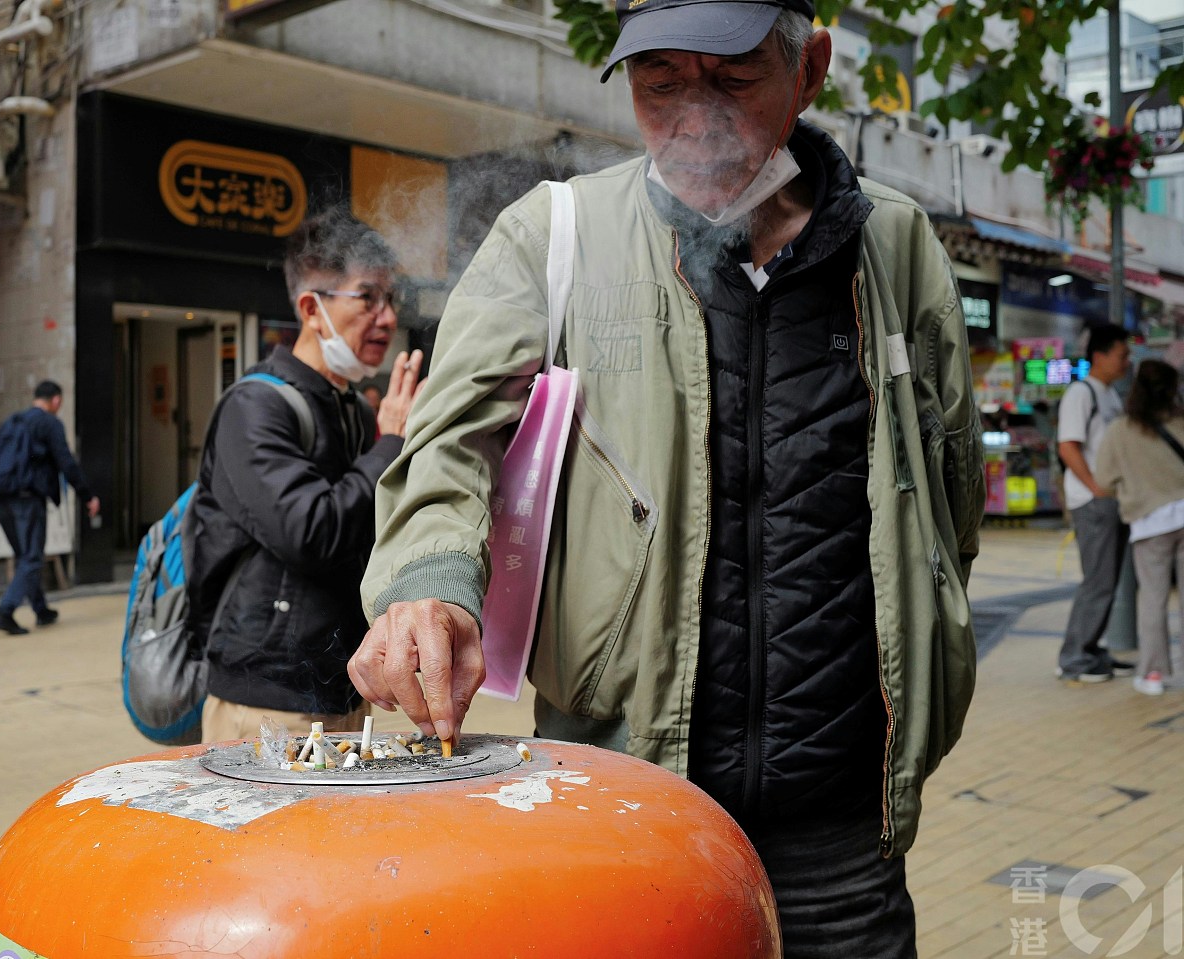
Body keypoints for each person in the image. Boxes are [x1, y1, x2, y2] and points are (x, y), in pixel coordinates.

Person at [349, 1, 984, 954]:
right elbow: (447, 441)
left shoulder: (894, 246)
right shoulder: (553, 235)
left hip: (844, 824)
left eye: (731, 78)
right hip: (626, 796)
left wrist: (927, 635)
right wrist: (429, 587)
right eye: (659, 83)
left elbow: (951, 487)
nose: (694, 114)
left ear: (808, 69)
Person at [185, 209, 424, 744]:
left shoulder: (353, 409)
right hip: (266, 696)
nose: (386, 318)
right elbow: (311, 532)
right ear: (313, 308)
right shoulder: (254, 406)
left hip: (340, 687)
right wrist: (390, 443)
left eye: (392, 300)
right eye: (368, 297)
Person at [1094, 359, 1184, 696]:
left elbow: (1103, 480)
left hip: (1151, 523)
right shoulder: (1181, 422)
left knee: (1153, 599)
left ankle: (1153, 675)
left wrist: (1133, 486)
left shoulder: (1121, 430)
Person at [0, 381, 100, 635]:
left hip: (2, 498)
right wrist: (87, 495)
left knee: (25, 557)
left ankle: (41, 609)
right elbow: (66, 463)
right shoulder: (49, 423)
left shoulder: (11, 422)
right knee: (32, 557)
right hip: (28, 499)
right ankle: (5, 611)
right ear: (56, 400)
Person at [1056, 324, 1134, 683]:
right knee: (1098, 581)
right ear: (1100, 356)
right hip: (1093, 502)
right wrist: (1094, 486)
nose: (1127, 361)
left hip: (1110, 500)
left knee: (1107, 579)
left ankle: (1090, 649)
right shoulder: (1081, 393)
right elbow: (1068, 445)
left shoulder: (1109, 394)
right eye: (1122, 354)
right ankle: (1074, 658)